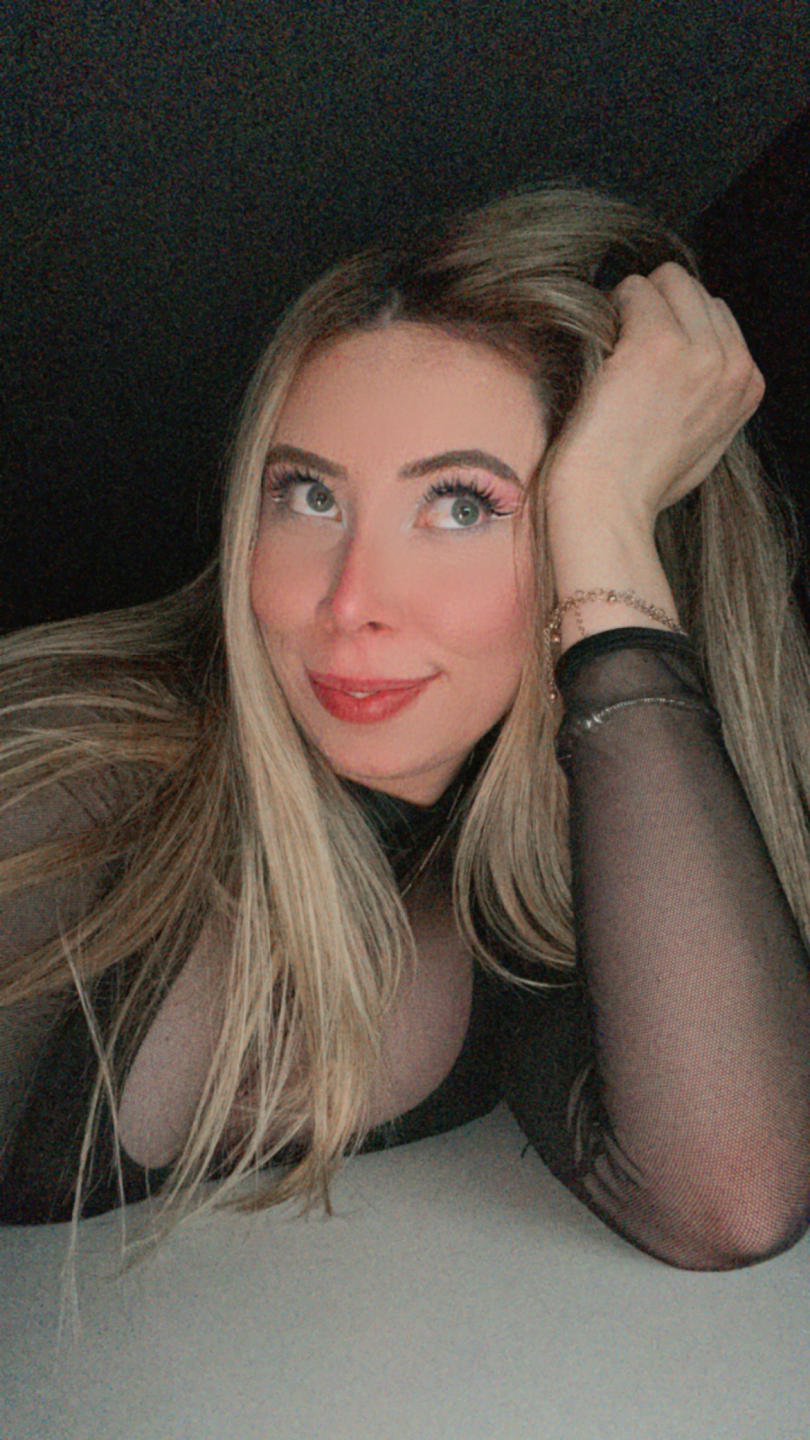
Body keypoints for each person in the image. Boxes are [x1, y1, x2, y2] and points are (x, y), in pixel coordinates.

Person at [1, 185, 809, 1273]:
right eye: (310, 497)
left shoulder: (545, 874)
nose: (348, 602)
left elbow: (730, 1194)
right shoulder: (63, 784)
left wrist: (603, 511)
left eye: (463, 505)